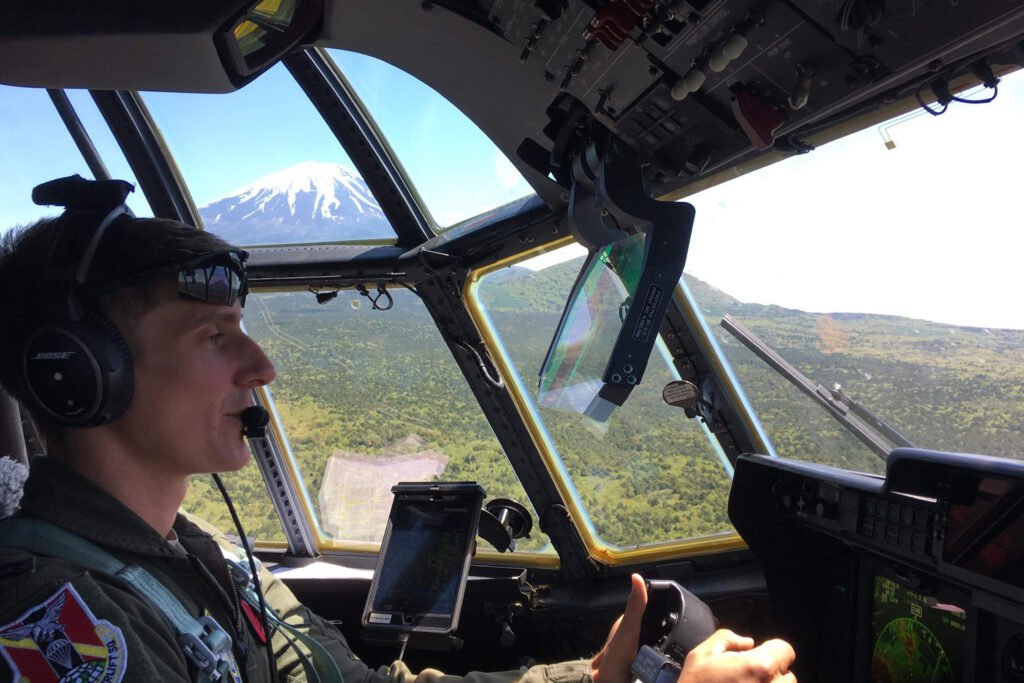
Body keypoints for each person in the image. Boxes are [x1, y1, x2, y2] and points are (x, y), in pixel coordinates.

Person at [0, 177, 797, 682]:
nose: (261, 365)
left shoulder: (210, 557)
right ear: (76, 373)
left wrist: (592, 679)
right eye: (213, 336)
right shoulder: (54, 622)